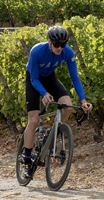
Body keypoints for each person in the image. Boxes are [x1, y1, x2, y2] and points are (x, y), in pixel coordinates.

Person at [22, 25, 92, 176]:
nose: (60, 48)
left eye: (63, 45)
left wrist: (83, 101)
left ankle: (53, 133)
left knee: (67, 106)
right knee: (33, 120)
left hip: (50, 78)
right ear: (49, 42)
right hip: (34, 80)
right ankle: (26, 159)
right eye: (56, 45)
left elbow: (75, 78)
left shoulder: (68, 52)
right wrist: (44, 93)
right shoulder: (37, 51)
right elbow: (34, 78)